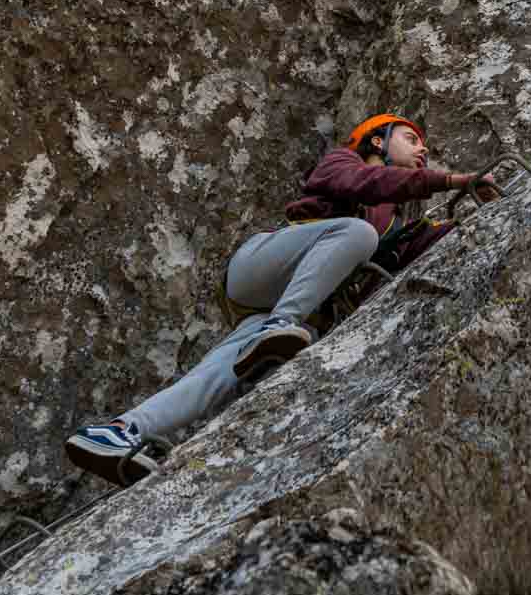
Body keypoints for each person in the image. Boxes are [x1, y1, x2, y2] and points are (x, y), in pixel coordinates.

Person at [64, 113, 501, 485]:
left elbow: (415, 246)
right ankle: (279, 327)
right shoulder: (342, 162)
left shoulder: (391, 223)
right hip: (262, 268)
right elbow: (363, 182)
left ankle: (120, 431)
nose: (422, 149)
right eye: (411, 139)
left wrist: (481, 206)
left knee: (218, 373)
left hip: (279, 309)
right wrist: (450, 180)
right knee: (357, 233)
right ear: (376, 140)